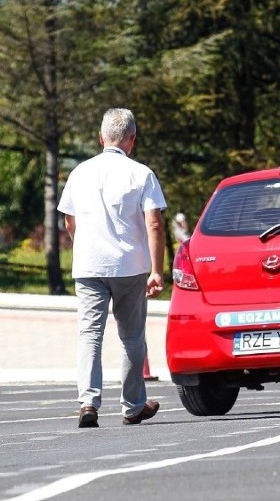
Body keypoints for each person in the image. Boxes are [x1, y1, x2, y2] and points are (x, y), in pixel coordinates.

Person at [58, 108, 167, 428]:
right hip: (130, 266)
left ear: (100, 137)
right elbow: (155, 223)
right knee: (131, 336)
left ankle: (88, 403)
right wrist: (157, 270)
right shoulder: (141, 174)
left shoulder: (80, 172)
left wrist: (87, 245)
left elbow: (69, 219)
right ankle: (132, 406)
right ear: (132, 140)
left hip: (89, 266)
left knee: (89, 334)